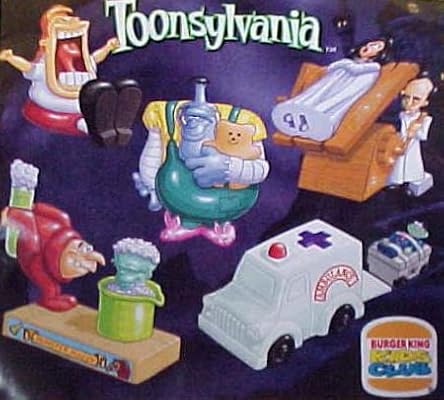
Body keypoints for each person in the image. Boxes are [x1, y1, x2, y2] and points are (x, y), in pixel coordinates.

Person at [0, 5, 141, 145]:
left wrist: (107, 47)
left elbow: (94, 59)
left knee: (101, 97)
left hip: (84, 97)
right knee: (86, 111)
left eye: (68, 19)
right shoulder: (46, 64)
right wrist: (11, 58)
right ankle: (99, 126)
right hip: (56, 102)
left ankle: (116, 117)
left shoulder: (79, 61)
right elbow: (29, 67)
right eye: (61, 21)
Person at [272, 37, 392, 141]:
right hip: (333, 87)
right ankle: (303, 105)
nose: (370, 46)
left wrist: (343, 65)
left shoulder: (373, 67)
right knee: (328, 82)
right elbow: (331, 69)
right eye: (371, 43)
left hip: (347, 92)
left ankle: (321, 113)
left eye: (377, 46)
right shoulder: (349, 64)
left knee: (342, 87)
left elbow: (354, 70)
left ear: (380, 54)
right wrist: (343, 66)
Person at [387, 77, 434, 196]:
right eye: (407, 97)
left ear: (425, 102)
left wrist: (415, 130)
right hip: (400, 143)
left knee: (411, 164)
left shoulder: (425, 119)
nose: (409, 102)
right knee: (397, 165)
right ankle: (396, 182)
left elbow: (423, 136)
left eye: (416, 99)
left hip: (412, 146)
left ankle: (410, 183)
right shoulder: (401, 115)